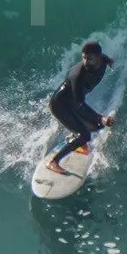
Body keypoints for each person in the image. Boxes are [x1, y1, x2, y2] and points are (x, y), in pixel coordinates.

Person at [46, 40, 113, 172]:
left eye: (89, 59)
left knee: (97, 126)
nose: (86, 62)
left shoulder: (103, 59)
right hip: (60, 104)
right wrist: (101, 118)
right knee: (84, 135)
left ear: (98, 57)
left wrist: (110, 61)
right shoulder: (78, 75)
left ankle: (75, 137)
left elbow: (105, 58)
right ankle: (53, 161)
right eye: (84, 58)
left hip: (73, 103)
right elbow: (80, 104)